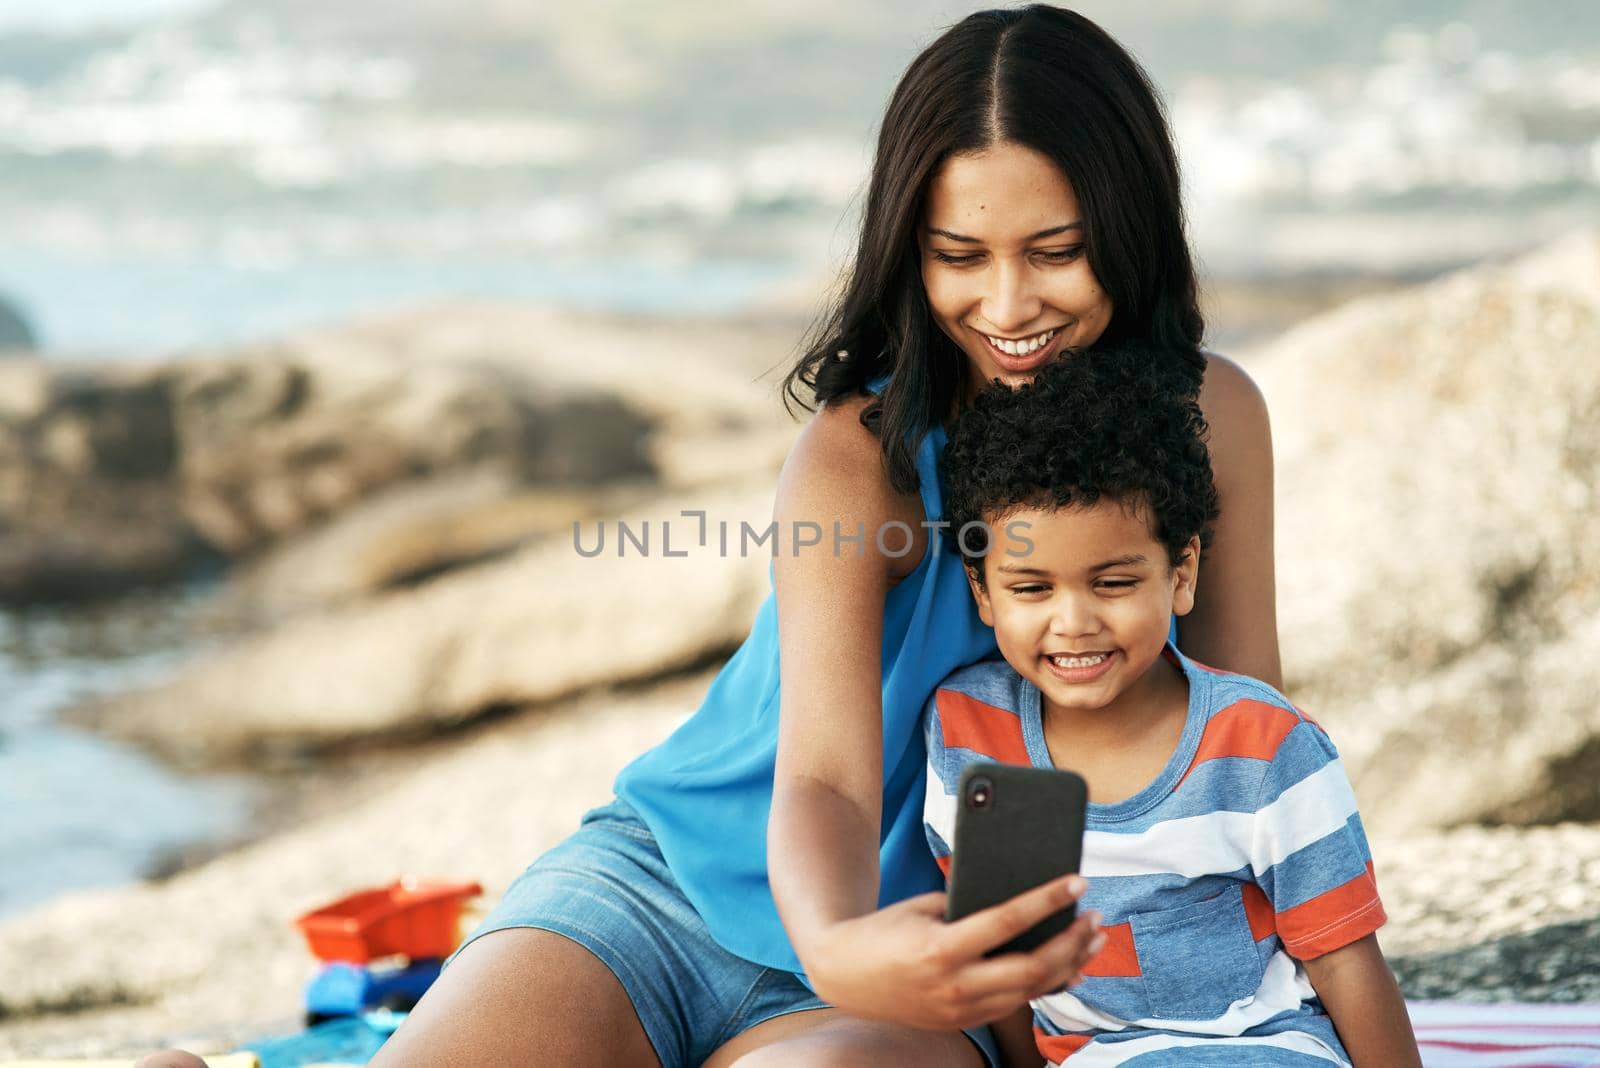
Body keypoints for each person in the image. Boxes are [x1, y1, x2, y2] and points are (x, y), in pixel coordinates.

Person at [140, 6, 1280, 1066]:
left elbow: (1238, 732)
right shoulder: (860, 450)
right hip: (667, 886)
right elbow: (826, 776)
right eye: (958, 255)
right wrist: (834, 941)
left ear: (1126, 229)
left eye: (1054, 250)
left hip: (920, 950)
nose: (1005, 302)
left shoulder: (1209, 418)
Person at [923, 347, 1420, 1067]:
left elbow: (1345, 958)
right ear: (983, 593)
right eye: (1031, 590)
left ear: (1180, 573)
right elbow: (1001, 945)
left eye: (1114, 582)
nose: (1073, 621)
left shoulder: (1262, 746)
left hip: (1265, 1050)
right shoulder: (976, 732)